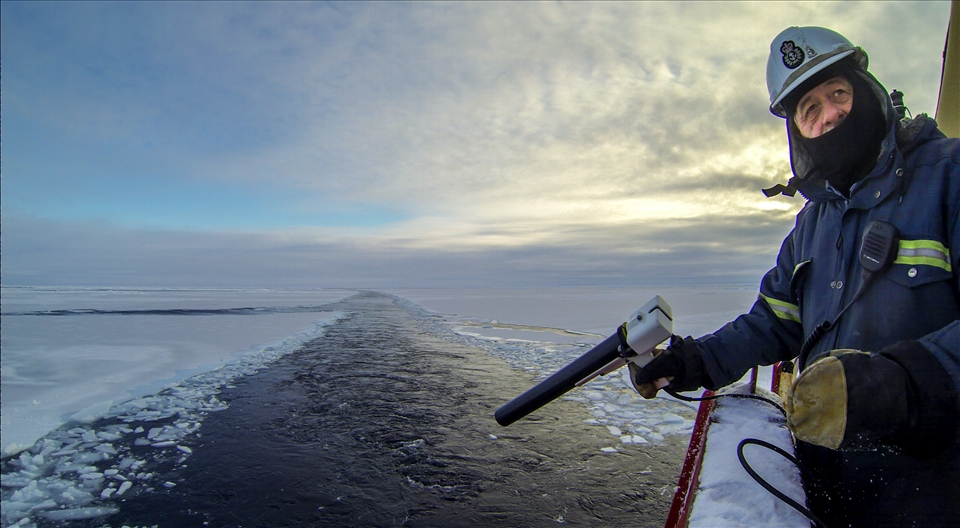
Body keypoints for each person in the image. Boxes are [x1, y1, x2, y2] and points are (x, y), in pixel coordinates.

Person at [629, 26, 960, 526]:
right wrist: (699, 361)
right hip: (828, 486)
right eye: (809, 109)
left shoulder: (949, 176)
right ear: (797, 131)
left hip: (934, 491)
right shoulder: (812, 224)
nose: (829, 115)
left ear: (865, 90)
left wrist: (904, 385)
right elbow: (775, 321)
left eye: (838, 94)